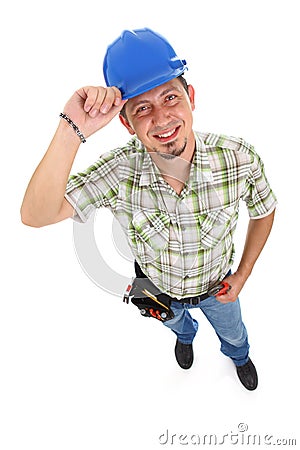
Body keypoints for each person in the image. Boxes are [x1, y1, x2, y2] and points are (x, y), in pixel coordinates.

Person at [21, 28, 277, 391]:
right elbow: (35, 214)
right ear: (126, 123)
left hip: (220, 288)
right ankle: (185, 337)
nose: (161, 119)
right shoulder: (118, 171)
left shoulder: (238, 158)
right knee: (176, 322)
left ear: (190, 97)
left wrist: (245, 272)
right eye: (142, 108)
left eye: (171, 98)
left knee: (234, 333)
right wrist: (71, 130)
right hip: (158, 289)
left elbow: (264, 210)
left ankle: (238, 355)